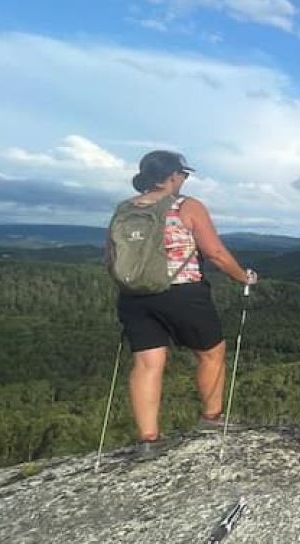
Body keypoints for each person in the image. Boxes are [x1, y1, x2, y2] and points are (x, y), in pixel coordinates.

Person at [111, 151, 257, 458]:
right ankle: (211, 419)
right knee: (211, 352)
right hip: (182, 292)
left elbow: (109, 257)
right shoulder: (187, 206)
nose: (184, 180)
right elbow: (215, 253)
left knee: (147, 363)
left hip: (134, 295)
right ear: (174, 176)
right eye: (184, 175)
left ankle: (148, 439)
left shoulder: (125, 209)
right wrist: (242, 277)